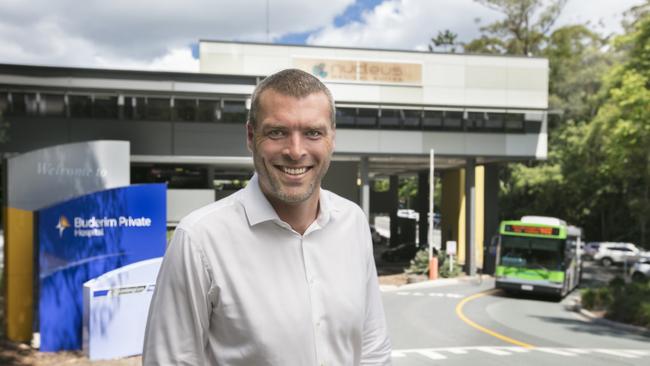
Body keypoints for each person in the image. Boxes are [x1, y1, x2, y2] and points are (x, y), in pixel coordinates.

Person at [143, 68, 392, 365]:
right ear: (251, 136)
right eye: (277, 132)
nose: (296, 151)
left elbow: (372, 351)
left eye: (313, 132)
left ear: (331, 139)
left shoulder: (353, 223)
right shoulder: (199, 240)